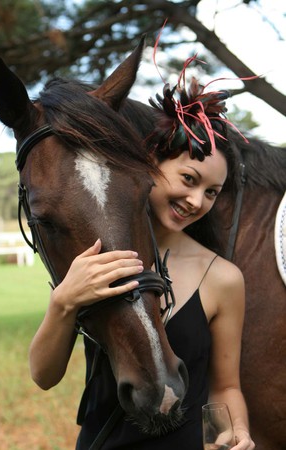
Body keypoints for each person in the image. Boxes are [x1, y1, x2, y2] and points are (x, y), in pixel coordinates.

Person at [29, 57, 255, 450]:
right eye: (189, 179)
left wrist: (239, 433)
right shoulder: (99, 258)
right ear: (149, 165)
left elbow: (227, 386)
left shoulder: (223, 279)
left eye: (211, 192)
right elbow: (44, 375)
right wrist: (64, 299)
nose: (196, 200)